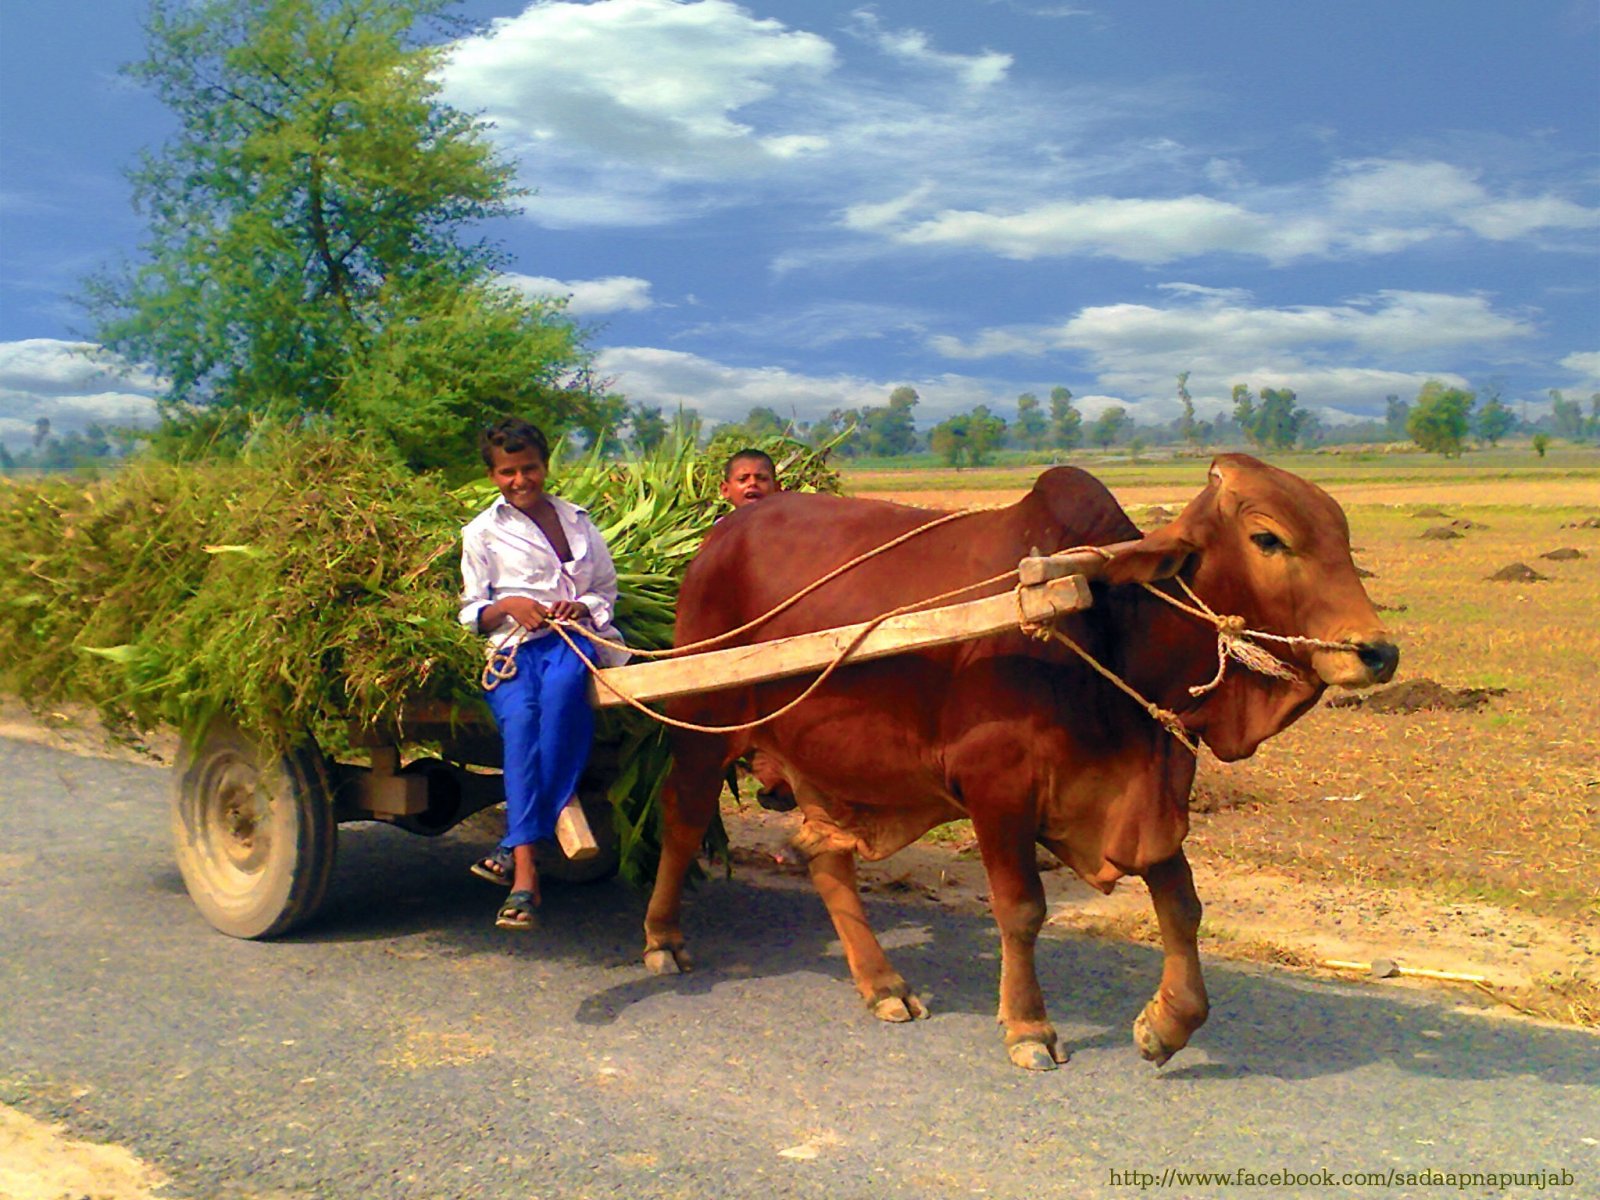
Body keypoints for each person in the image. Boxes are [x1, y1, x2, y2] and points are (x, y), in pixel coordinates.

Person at [458, 417, 627, 931]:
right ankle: (523, 873)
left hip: (571, 643)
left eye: (529, 468)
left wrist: (580, 607)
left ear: (545, 466)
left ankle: (516, 857)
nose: (520, 480)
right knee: (520, 725)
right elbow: (470, 609)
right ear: (493, 477)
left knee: (560, 701)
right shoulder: (482, 532)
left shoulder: (578, 521)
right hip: (512, 649)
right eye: (508, 472)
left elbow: (605, 588)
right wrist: (508, 603)